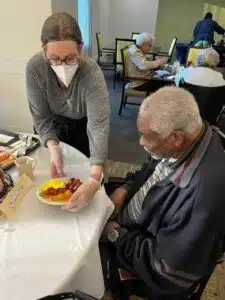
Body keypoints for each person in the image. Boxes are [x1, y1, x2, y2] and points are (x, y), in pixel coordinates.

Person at [101, 87, 225, 300]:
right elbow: (150, 170)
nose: (140, 142)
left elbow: (166, 268)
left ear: (176, 138)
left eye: (145, 137)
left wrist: (114, 234)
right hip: (135, 225)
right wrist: (125, 188)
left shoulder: (201, 196)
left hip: (146, 256)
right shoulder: (195, 133)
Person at [26, 12, 110, 212]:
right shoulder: (35, 68)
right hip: (51, 126)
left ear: (80, 49)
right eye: (54, 59)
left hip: (82, 128)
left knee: (85, 191)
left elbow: (98, 125)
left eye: (70, 58)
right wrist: (53, 146)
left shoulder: (92, 73)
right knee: (46, 190)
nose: (62, 66)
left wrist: (96, 176)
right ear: (44, 51)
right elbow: (41, 116)